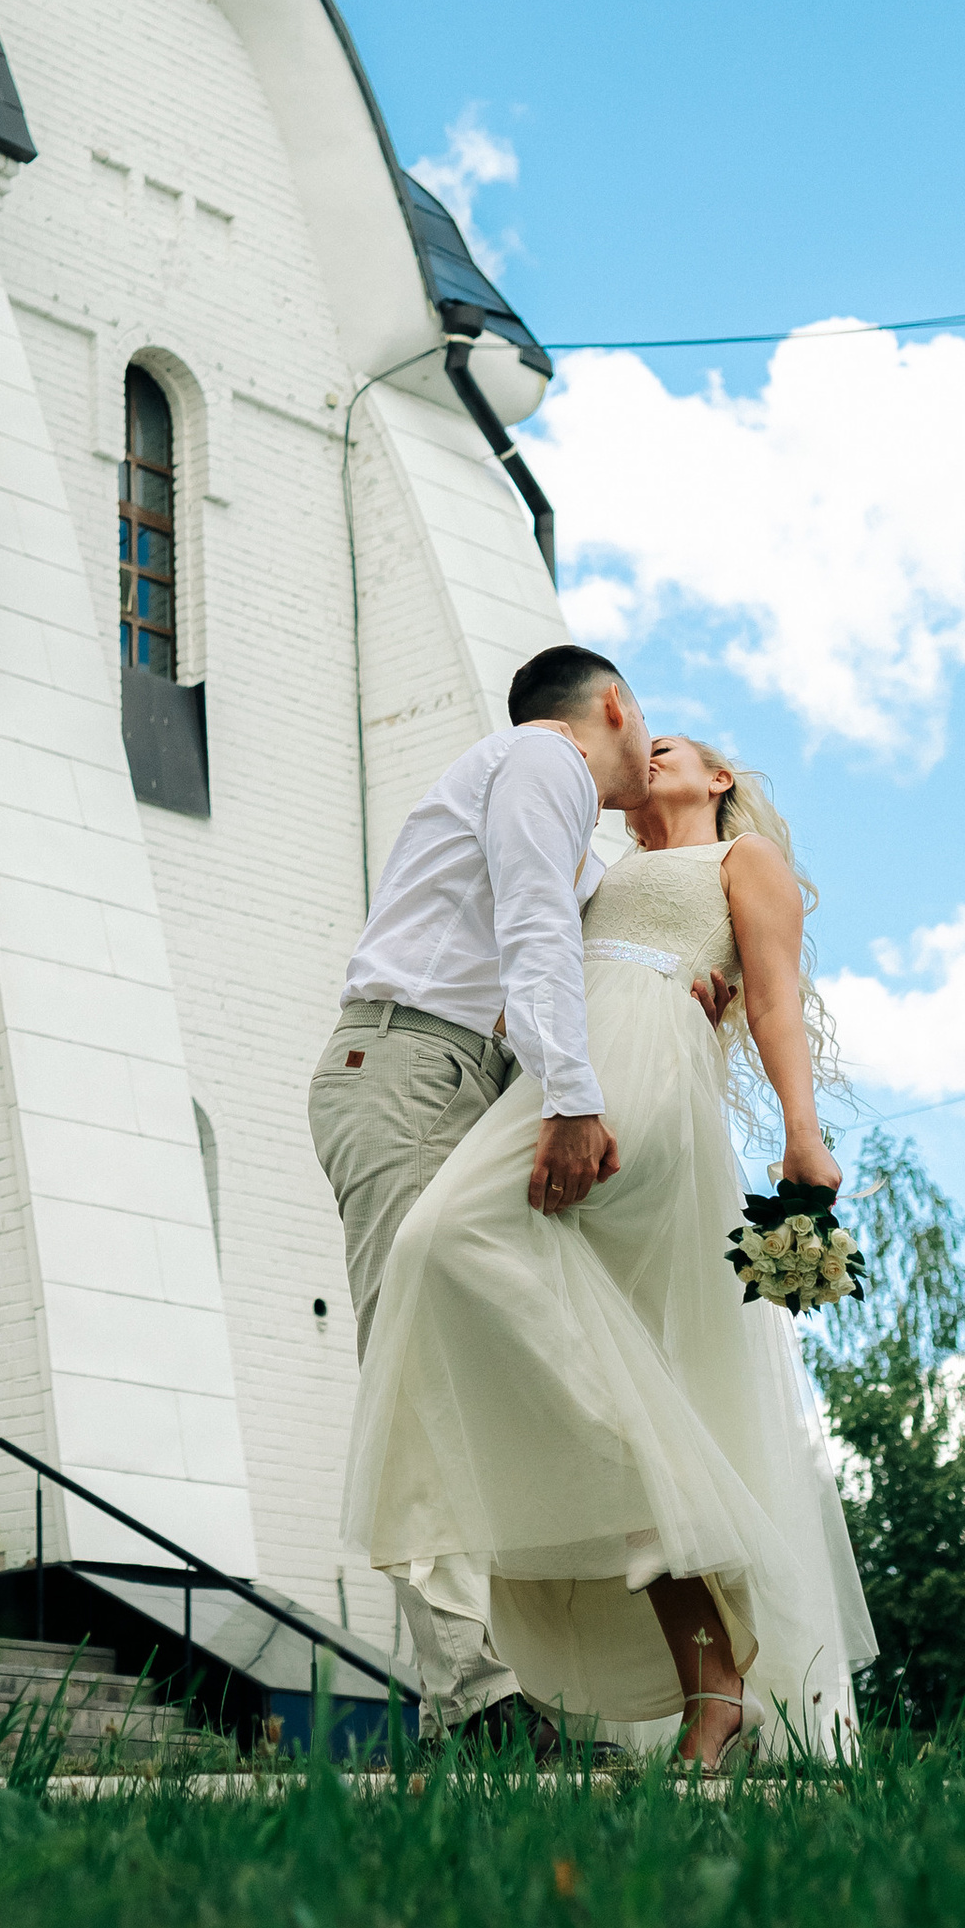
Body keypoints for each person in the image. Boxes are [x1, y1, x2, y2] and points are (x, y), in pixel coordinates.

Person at [341, 731, 876, 1769]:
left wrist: (803, 1134)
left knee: (445, 1238)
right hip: (557, 1083)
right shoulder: (602, 869)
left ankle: (700, 1628)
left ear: (723, 778)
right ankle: (712, 1687)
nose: (653, 749)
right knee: (610, 1375)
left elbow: (768, 996)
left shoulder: (739, 862)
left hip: (637, 1083)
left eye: (675, 745)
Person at [307, 643, 662, 1744]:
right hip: (410, 1070)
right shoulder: (542, 761)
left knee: (506, 1367)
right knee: (422, 1369)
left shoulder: (556, 808)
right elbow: (532, 929)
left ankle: (540, 1669)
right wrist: (571, 1096)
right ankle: (470, 1698)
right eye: (644, 720)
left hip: (459, 1083)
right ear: (609, 704)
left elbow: (575, 940)